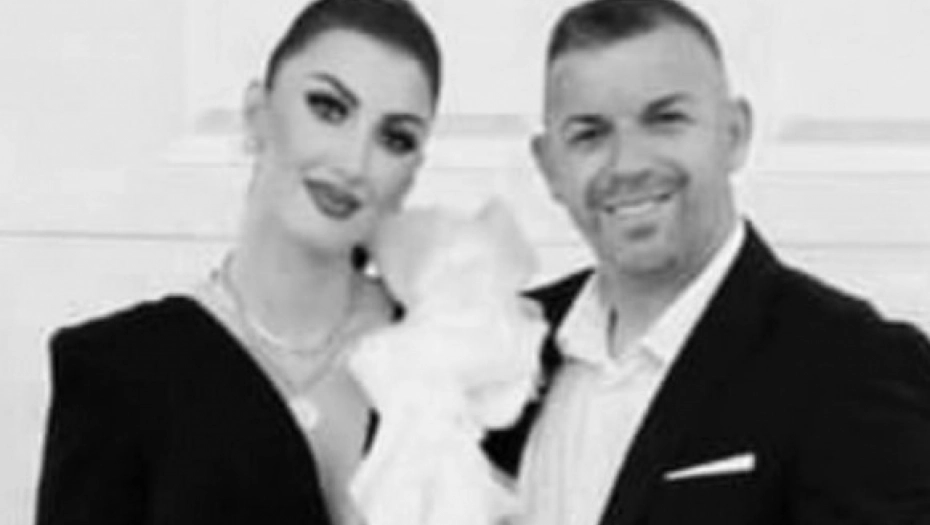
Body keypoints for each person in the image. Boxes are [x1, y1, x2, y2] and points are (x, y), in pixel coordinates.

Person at [484, 0, 930, 524]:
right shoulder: (497, 341)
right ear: (549, 167)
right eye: (589, 134)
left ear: (733, 134)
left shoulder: (856, 362)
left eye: (665, 119)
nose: (627, 164)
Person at [35, 0, 441, 524]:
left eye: (395, 139)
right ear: (256, 115)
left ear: (412, 174)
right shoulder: (116, 372)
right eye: (329, 109)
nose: (354, 162)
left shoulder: (456, 355)